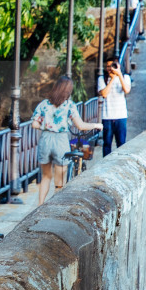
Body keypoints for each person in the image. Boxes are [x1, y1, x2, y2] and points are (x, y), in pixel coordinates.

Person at [31, 76, 103, 205]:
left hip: (45, 139)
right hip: (61, 140)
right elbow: (80, 126)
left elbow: (34, 124)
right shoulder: (69, 105)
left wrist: (47, 126)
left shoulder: (43, 104)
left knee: (46, 177)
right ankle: (53, 208)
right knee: (60, 182)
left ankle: (40, 205)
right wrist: (96, 125)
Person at [98, 57, 131, 156]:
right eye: (107, 66)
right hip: (107, 116)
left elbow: (126, 90)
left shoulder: (125, 77)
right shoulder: (102, 78)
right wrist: (111, 79)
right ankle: (105, 167)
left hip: (121, 115)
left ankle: (119, 165)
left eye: (112, 66)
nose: (109, 68)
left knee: (121, 143)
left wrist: (119, 74)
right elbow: (104, 94)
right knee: (107, 144)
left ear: (118, 66)